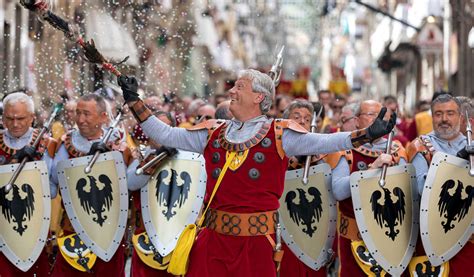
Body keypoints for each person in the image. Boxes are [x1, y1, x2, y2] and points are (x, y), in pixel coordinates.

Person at [118, 69, 396, 277]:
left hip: (256, 247)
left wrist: (365, 135)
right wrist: (134, 100)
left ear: (259, 96)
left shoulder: (280, 133)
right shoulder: (213, 131)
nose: (231, 92)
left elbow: (325, 142)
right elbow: (164, 133)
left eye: (239, 87)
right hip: (211, 243)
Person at [50, 94, 132, 276]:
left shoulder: (118, 143)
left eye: (86, 114)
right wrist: (86, 158)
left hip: (110, 228)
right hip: (75, 226)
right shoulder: (66, 142)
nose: (80, 119)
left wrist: (110, 157)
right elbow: (57, 176)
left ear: (103, 117)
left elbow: (129, 182)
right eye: (78, 113)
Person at [325, 100, 407, 277]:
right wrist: (371, 170)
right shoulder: (344, 149)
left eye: (380, 116)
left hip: (389, 235)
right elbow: (339, 191)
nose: (376, 120)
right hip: (354, 240)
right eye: (370, 115)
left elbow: (408, 194)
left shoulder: (397, 149)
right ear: (356, 120)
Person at [407, 94, 473, 276]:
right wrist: (457, 162)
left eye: (450, 113)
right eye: (438, 114)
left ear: (460, 117)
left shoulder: (472, 144)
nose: (444, 119)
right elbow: (423, 188)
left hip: (469, 237)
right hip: (434, 238)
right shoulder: (419, 146)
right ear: (432, 117)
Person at [0, 92, 58, 277]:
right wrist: (13, 163)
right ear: (2, 118)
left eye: (21, 118)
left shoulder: (48, 144)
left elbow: (53, 190)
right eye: (9, 118)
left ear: (32, 118)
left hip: (34, 224)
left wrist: (34, 171)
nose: (15, 124)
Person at [280, 99, 327, 276]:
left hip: (313, 230)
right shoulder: (277, 148)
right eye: (297, 117)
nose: (302, 121)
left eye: (307, 119)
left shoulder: (320, 153)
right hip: (284, 228)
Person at [127, 111, 177, 277]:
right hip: (146, 234)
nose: (160, 134)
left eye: (165, 129)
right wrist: (155, 159)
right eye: (156, 129)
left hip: (175, 233)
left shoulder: (187, 158)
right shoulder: (140, 155)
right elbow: (131, 182)